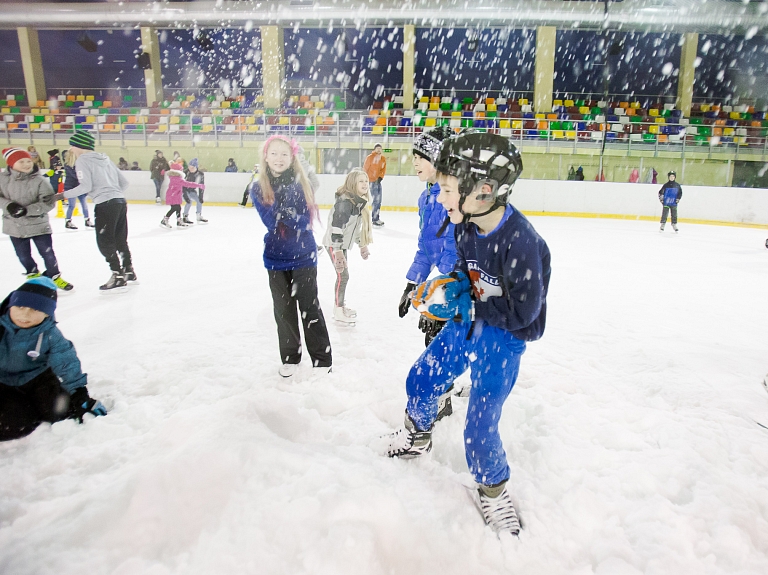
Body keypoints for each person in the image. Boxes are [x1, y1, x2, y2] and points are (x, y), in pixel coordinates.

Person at [385, 132, 551, 536]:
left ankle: (494, 491)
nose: (440, 198)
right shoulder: (464, 224)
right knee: (420, 379)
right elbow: (464, 267)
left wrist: (471, 304)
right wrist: (451, 286)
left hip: (504, 338)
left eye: (446, 189)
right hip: (468, 322)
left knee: (479, 427)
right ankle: (418, 433)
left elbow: (525, 314)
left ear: (484, 191)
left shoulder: (524, 244)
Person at [249, 135, 332, 378]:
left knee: (310, 308)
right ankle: (290, 358)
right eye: (273, 153)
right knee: (283, 311)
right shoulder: (257, 187)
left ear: (292, 157)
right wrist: (286, 213)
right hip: (275, 257)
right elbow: (270, 222)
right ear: (265, 156)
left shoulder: (300, 183)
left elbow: (304, 221)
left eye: (284, 154)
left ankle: (322, 358)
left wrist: (284, 213)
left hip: (303, 255)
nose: (278, 158)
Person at [0, 277, 107, 441]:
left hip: (37, 378)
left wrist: (79, 394)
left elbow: (65, 361)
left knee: (59, 412)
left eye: (35, 309)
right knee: (14, 424)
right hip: (3, 381)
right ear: (10, 306)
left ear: (46, 314)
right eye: (20, 306)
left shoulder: (49, 334)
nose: (25, 314)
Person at [399, 126, 457, 348]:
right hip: (445, 282)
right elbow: (427, 248)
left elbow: (453, 252)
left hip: (459, 284)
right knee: (435, 344)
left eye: (421, 158)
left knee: (446, 344)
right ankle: (447, 383)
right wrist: (412, 282)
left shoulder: (452, 197)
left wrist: (437, 297)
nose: (415, 163)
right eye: (414, 157)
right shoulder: (425, 198)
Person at [60, 130, 137, 291]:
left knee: (105, 241)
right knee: (119, 239)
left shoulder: (82, 161)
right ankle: (128, 270)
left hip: (105, 204)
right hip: (120, 202)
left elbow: (85, 187)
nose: (71, 149)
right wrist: (113, 192)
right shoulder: (105, 159)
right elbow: (124, 183)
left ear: (78, 146)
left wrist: (61, 195)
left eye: (72, 146)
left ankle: (117, 274)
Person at [1, 147, 74, 291]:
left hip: (38, 224)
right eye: (21, 161)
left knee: (48, 254)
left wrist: (26, 210)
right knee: (23, 255)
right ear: (11, 164)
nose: (27, 164)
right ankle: (33, 276)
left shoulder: (40, 180)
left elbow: (48, 202)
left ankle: (55, 277)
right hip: (15, 226)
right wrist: (9, 206)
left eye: (28, 160)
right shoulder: (3, 179)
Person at [322, 168, 373, 325]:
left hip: (341, 245)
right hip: (334, 244)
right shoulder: (345, 203)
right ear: (353, 184)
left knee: (343, 276)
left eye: (366, 181)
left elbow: (353, 229)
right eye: (361, 181)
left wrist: (362, 245)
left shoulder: (356, 202)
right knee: (343, 276)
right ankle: (338, 310)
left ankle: (340, 306)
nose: (365, 184)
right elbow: (336, 228)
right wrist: (337, 251)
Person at [55, 150, 93, 230]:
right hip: (71, 188)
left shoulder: (79, 164)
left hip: (79, 187)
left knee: (84, 205)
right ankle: (68, 221)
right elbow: (76, 176)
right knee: (72, 205)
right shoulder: (68, 165)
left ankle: (87, 220)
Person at [160, 161, 203, 229]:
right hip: (173, 196)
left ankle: (178, 221)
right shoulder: (178, 179)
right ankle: (165, 220)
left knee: (178, 208)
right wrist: (199, 185)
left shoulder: (174, 178)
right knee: (174, 208)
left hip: (173, 195)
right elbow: (188, 184)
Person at [363, 143, 386, 226]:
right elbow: (365, 168)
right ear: (374, 149)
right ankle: (374, 219)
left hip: (378, 181)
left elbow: (383, 169)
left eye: (380, 148)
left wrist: (380, 177)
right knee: (376, 200)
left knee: (379, 201)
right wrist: (365, 179)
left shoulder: (383, 159)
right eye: (377, 148)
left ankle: (377, 218)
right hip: (371, 181)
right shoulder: (370, 158)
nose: (379, 150)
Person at [182, 158, 207, 224]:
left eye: (192, 167)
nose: (190, 169)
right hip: (184, 190)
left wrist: (201, 196)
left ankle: (198, 215)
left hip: (192, 191)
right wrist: (185, 195)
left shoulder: (200, 174)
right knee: (189, 202)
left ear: (196, 167)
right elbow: (182, 185)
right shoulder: (185, 172)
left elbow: (201, 185)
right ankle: (185, 216)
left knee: (199, 201)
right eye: (189, 167)